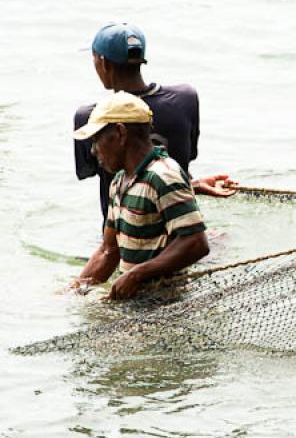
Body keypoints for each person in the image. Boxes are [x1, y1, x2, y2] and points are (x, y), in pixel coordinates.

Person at [74, 22, 237, 225]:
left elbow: (105, 174)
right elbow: (166, 175)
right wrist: (193, 185)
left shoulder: (90, 119)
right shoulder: (185, 99)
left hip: (126, 233)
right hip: (179, 222)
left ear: (104, 63)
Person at [72, 92, 210, 299]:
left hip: (165, 304)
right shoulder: (118, 182)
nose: (93, 151)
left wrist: (137, 274)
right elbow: (108, 251)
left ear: (120, 133)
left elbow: (195, 243)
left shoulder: (163, 176)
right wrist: (74, 290)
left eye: (96, 140)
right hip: (136, 302)